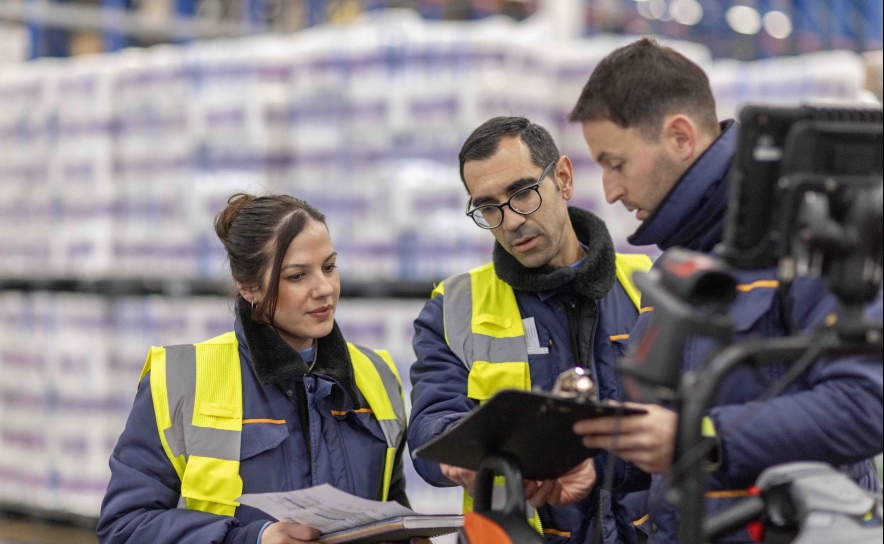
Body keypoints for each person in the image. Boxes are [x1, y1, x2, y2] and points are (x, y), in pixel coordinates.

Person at [569, 38, 884, 543]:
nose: (610, 190)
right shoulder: (675, 267)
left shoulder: (809, 240)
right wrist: (591, 468)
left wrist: (700, 437)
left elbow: (866, 404)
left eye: (616, 163)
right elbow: (669, 437)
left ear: (679, 136)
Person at [98, 194, 429, 544]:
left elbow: (389, 506)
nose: (324, 289)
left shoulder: (376, 376)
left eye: (329, 267)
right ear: (248, 287)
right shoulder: (181, 380)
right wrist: (254, 539)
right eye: (297, 276)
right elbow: (125, 527)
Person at [407, 116, 655, 544]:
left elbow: (690, 427)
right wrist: (459, 452)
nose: (510, 222)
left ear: (563, 178)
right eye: (488, 207)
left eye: (522, 193)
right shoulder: (453, 308)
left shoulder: (648, 288)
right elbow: (430, 430)